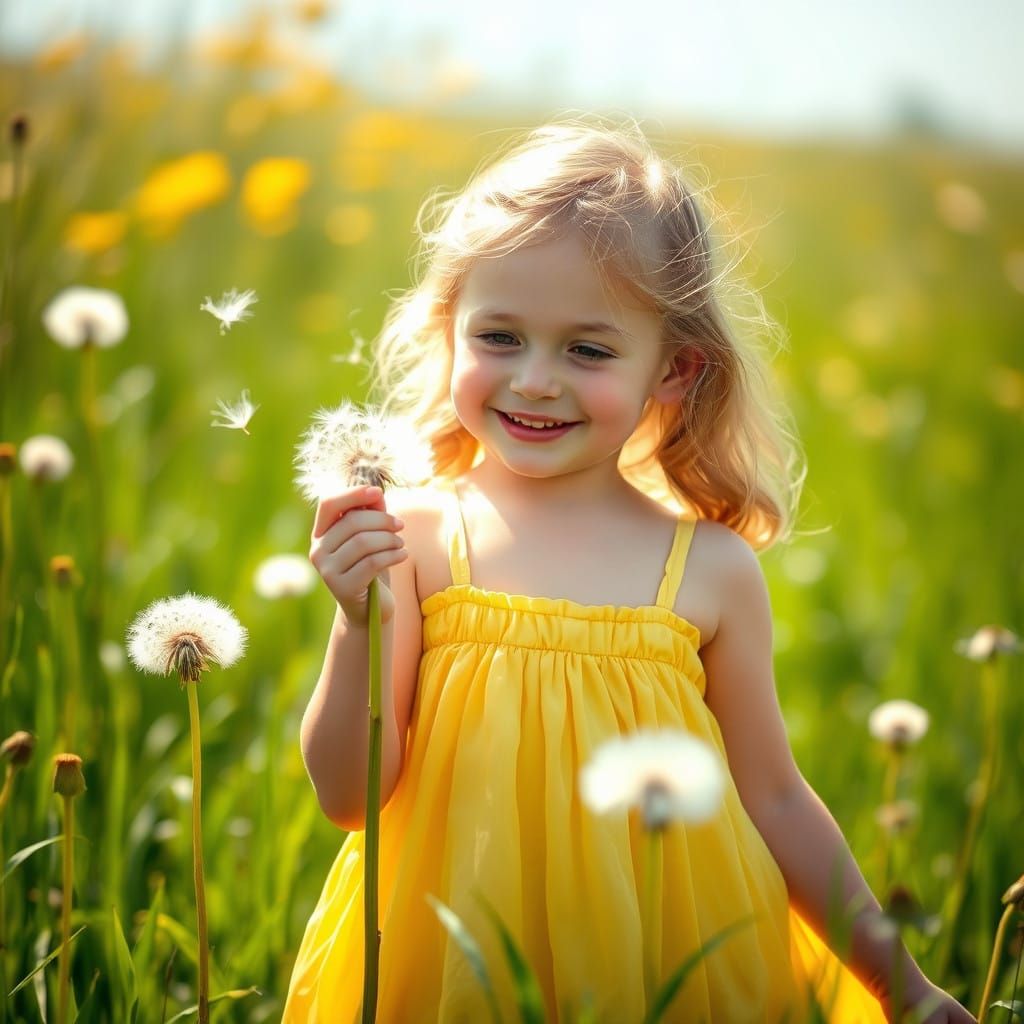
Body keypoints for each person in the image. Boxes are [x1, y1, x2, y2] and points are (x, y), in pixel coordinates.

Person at [283, 117, 976, 1023]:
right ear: (450, 329)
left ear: (675, 372)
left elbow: (775, 797)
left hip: (668, 957)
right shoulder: (415, 541)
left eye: (589, 349)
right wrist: (356, 623)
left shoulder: (710, 571)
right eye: (499, 336)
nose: (535, 380)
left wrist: (904, 987)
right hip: (449, 961)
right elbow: (348, 798)